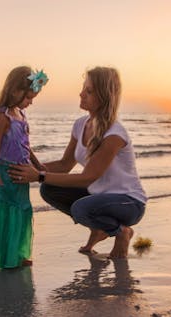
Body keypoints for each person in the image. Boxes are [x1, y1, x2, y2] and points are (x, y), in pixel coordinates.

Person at [9, 66, 146, 258]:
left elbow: (87, 178)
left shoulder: (114, 133)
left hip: (128, 203)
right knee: (48, 189)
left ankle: (121, 232)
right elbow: (65, 165)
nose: (81, 94)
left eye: (88, 91)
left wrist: (39, 176)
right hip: (99, 197)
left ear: (104, 96)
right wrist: (30, 168)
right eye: (83, 88)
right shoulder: (81, 124)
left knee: (80, 208)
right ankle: (100, 228)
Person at [0, 66, 48, 269]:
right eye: (28, 98)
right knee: (7, 210)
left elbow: (26, 145)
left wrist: (36, 163)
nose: (30, 102)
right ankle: (5, 257)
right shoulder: (3, 117)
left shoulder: (21, 115)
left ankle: (19, 254)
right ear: (16, 91)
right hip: (6, 172)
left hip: (22, 173)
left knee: (23, 210)